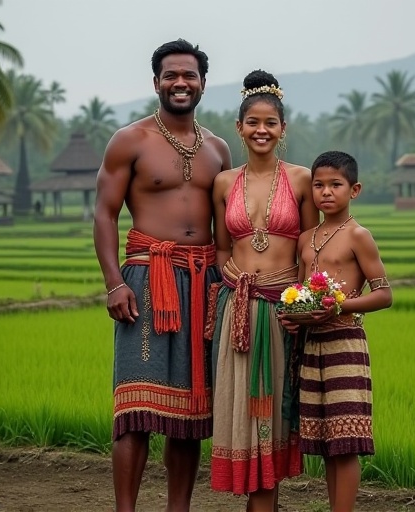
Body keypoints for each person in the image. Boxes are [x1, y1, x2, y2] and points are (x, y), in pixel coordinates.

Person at [93, 39, 232, 512]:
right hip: (146, 279)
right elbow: (105, 214)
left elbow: (229, 224)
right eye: (171, 75)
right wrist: (113, 283)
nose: (180, 83)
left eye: (189, 76)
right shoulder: (130, 140)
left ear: (203, 84)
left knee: (188, 412)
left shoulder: (218, 148)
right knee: (135, 409)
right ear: (156, 82)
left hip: (204, 282)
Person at [205, 70, 319, 512]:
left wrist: (304, 310)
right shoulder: (222, 183)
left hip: (282, 314)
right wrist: (231, 297)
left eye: (270, 123)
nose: (261, 131)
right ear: (239, 127)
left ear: (283, 129)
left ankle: (265, 500)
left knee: (271, 413)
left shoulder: (302, 179)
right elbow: (218, 250)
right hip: (238, 310)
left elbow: (312, 252)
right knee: (241, 415)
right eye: (253, 122)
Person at [290, 150, 393, 512]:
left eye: (336, 185)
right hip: (312, 344)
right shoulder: (306, 239)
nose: (326, 192)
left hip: (344, 343)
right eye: (319, 185)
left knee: (346, 440)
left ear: (355, 190)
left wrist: (338, 305)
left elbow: (384, 294)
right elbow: (301, 294)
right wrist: (295, 316)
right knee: (325, 441)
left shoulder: (358, 236)